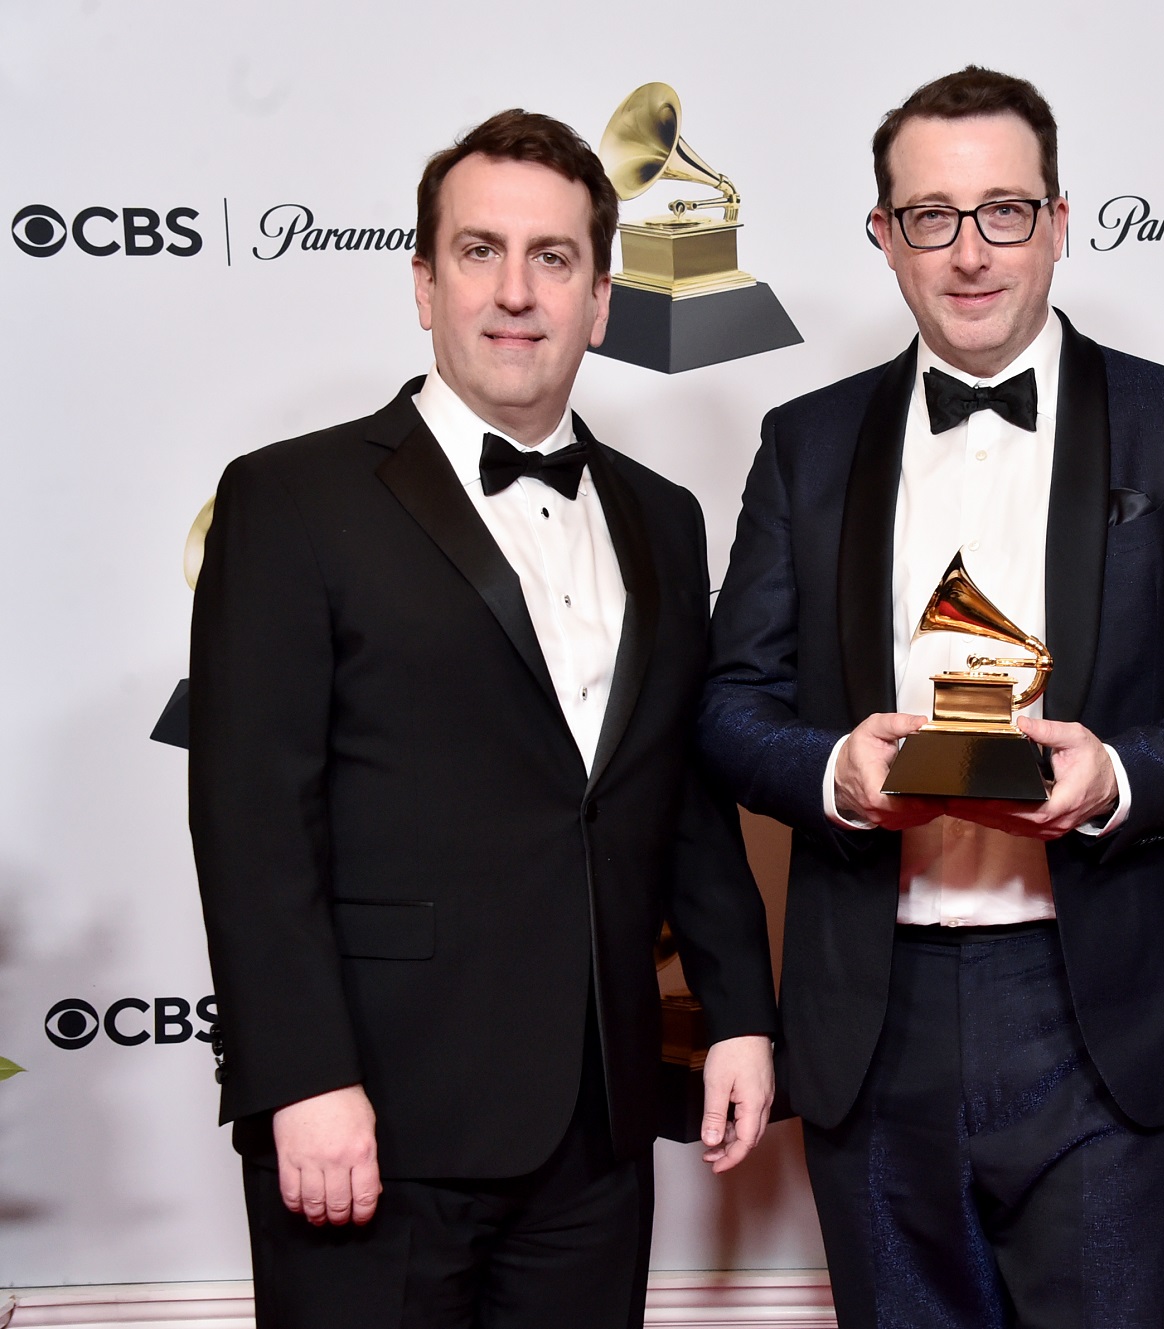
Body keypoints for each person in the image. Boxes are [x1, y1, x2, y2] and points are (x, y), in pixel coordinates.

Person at [701, 66, 1164, 1328]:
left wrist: (1115, 777)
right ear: (883, 237)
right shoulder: (802, 445)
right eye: (930, 217)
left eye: (1004, 212)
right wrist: (831, 775)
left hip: (1103, 1006)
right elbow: (729, 705)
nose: (969, 253)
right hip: (875, 1006)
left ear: (1061, 221)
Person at [187, 109, 778, 1329]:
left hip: (597, 1123)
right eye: (479, 252)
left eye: (553, 258)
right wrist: (303, 1082)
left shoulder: (663, 516)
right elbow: (252, 824)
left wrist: (739, 1018)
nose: (516, 292)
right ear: (423, 282)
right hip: (375, 1121)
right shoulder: (290, 499)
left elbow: (681, 800)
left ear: (602, 299)